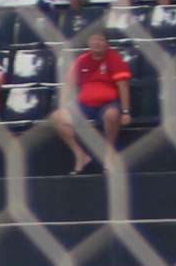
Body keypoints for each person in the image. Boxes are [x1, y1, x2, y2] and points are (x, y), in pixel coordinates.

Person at [54, 28, 131, 175]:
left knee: (112, 115)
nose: (96, 43)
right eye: (93, 39)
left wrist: (126, 111)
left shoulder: (114, 58)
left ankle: (108, 154)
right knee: (58, 117)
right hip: (84, 106)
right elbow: (68, 85)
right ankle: (80, 155)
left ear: (107, 43)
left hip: (108, 104)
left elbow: (123, 86)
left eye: (100, 39)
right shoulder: (81, 60)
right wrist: (63, 106)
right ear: (88, 42)